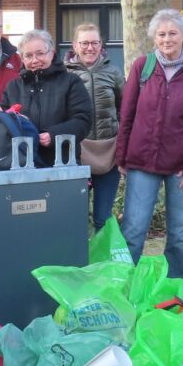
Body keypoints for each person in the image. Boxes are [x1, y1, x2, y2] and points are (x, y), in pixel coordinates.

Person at [115, 9, 183, 278]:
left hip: (182, 168)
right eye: (161, 34)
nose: (167, 39)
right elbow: (127, 115)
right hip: (142, 163)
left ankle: (174, 292)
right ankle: (125, 289)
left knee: (180, 235)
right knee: (134, 231)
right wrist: (121, 157)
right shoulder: (142, 66)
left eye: (173, 33)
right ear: (154, 38)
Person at [0, 29, 92, 168]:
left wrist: (55, 135)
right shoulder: (13, 87)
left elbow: (84, 120)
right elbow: (4, 125)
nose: (35, 60)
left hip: (63, 164)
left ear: (52, 54)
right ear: (22, 59)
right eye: (28, 56)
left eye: (40, 53)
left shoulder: (71, 82)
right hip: (23, 166)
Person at [64, 23, 124, 230]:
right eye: (85, 43)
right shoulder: (64, 74)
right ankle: (78, 260)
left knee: (102, 219)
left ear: (101, 45)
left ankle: (102, 261)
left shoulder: (113, 73)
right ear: (74, 45)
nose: (90, 48)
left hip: (108, 154)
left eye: (95, 43)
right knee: (75, 218)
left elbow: (124, 110)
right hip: (76, 156)